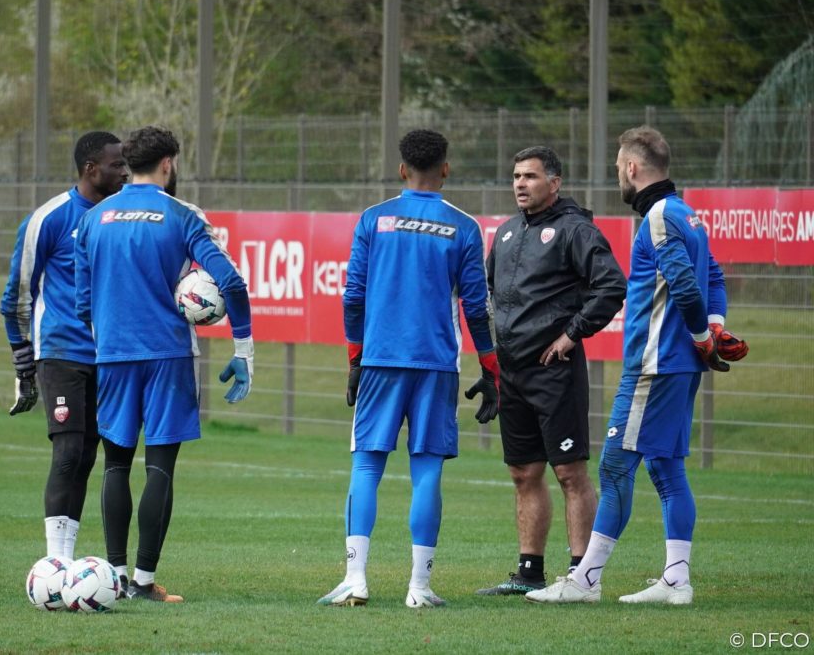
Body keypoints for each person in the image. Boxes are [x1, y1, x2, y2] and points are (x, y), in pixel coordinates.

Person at [526, 126, 748, 605]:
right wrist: (711, 328)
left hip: (655, 366)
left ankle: (585, 581)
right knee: (667, 469)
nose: (617, 178)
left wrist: (701, 337)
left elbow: (688, 284)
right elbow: (714, 277)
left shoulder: (661, 216)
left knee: (614, 467)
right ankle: (676, 580)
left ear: (631, 168)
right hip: (678, 365)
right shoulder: (689, 215)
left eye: (617, 169)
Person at [317, 129, 500, 609]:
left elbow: (353, 295)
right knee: (427, 472)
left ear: (401, 169)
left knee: (366, 465)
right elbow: (476, 308)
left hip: (379, 361)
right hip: (437, 365)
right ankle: (418, 587)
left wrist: (355, 359)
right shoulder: (463, 226)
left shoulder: (373, 220)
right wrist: (490, 366)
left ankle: (356, 579)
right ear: (445, 168)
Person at [74, 125, 254, 604]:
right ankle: (144, 581)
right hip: (169, 357)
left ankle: (112, 582)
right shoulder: (181, 216)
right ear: (169, 164)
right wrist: (244, 349)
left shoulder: (93, 219)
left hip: (112, 354)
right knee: (159, 469)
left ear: (129, 163)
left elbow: (79, 302)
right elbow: (231, 283)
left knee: (114, 466)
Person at [476, 146, 626, 596]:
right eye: (516, 176)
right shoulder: (503, 234)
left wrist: (571, 334)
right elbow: (490, 297)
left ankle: (585, 576)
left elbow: (612, 286)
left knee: (570, 473)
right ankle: (529, 573)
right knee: (524, 473)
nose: (520, 184)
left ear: (554, 183)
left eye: (531, 177)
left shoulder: (575, 230)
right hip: (512, 374)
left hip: (555, 371)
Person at [0, 131, 129, 561]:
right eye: (115, 164)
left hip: (109, 356)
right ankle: (55, 563)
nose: (124, 171)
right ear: (91, 169)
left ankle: (68, 560)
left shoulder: (122, 217)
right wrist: (25, 366)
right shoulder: (49, 219)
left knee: (88, 455)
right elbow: (16, 297)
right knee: (69, 452)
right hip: (61, 353)